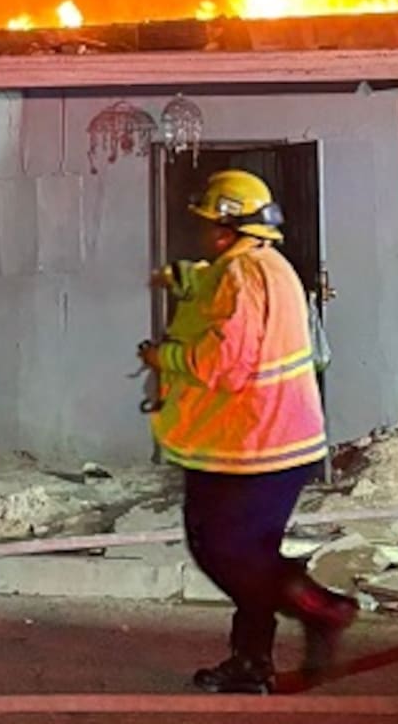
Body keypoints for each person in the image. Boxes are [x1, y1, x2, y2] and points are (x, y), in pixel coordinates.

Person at [139, 170, 355, 694]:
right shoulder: (266, 266)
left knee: (226, 552)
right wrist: (183, 279)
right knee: (240, 551)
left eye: (209, 224)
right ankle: (252, 661)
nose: (202, 234)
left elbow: (225, 362)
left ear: (226, 226)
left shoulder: (241, 275)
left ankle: (318, 609)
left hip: (253, 446)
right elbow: (220, 292)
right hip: (264, 444)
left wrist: (161, 356)